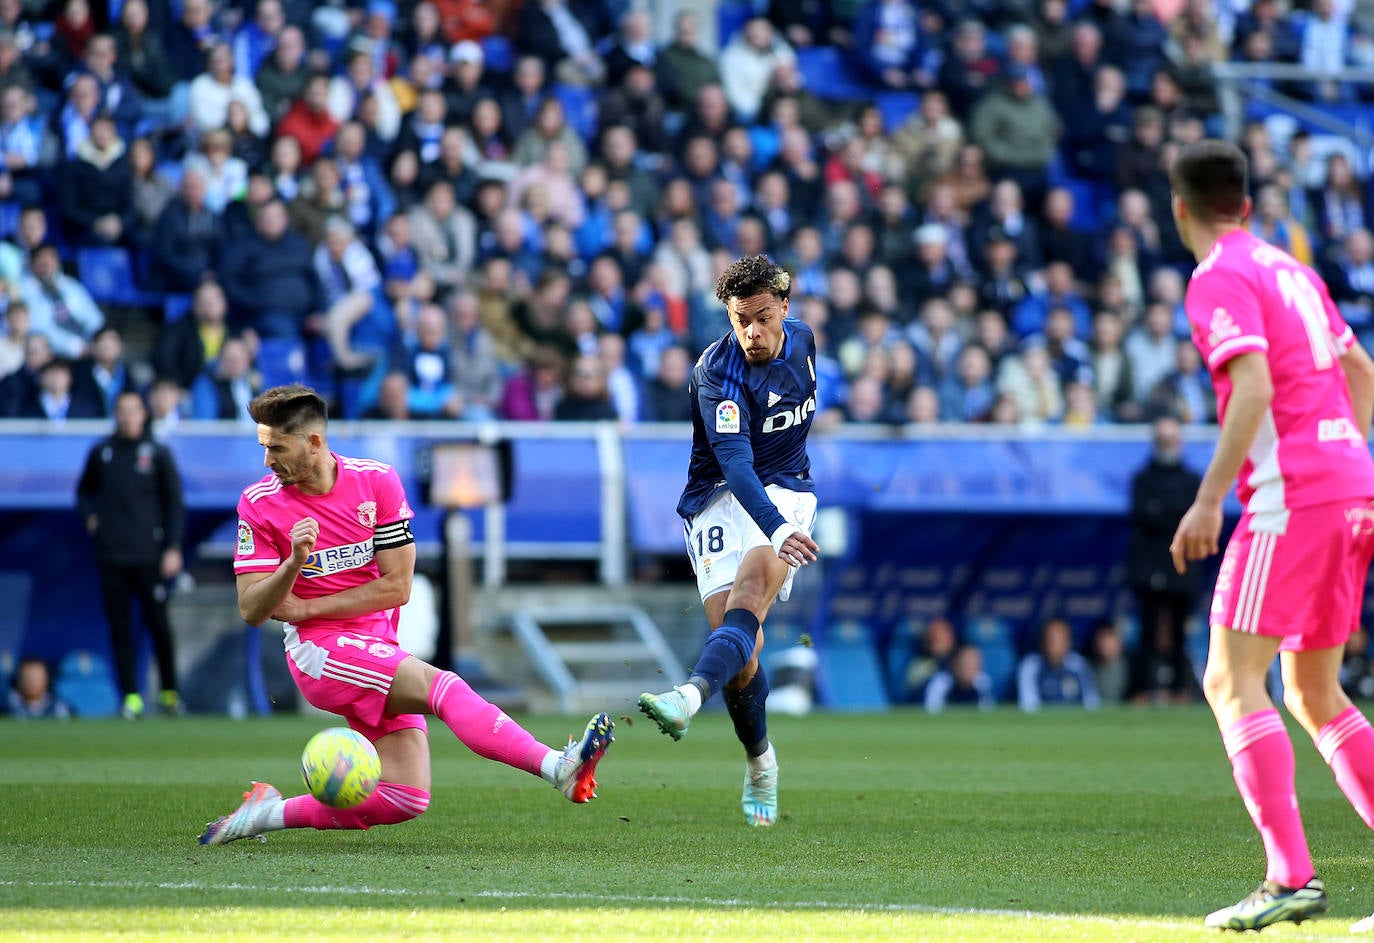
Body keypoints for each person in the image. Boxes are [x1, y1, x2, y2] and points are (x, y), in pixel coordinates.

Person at [199, 385, 613, 846]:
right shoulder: (258, 504)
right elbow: (252, 608)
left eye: (276, 447)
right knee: (445, 687)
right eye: (263, 447)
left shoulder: (375, 482)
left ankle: (266, 813)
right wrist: (293, 562)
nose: (267, 460)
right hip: (318, 651)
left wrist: (308, 604)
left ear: (314, 442)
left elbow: (396, 587)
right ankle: (558, 767)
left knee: (405, 796)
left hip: (376, 643)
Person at [1167, 139, 1374, 932]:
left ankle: (1291, 876)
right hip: (1352, 484)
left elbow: (1251, 382)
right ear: (1246, 204)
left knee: (1229, 676)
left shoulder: (1218, 275)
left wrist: (1209, 498)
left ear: (1180, 207)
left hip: (1296, 497)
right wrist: (1344, 456)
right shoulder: (1296, 268)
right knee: (1314, 691)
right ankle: (1292, 873)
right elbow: (1362, 374)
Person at [638, 256, 821, 827]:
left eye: (763, 318)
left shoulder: (806, 342)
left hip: (787, 491)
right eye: (741, 320)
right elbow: (735, 462)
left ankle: (686, 697)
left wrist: (784, 522)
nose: (753, 333)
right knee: (742, 658)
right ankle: (760, 759)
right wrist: (776, 526)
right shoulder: (715, 373)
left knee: (747, 604)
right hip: (719, 495)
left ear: (785, 309)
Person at [74, 391, 186, 719]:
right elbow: (83, 491)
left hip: (150, 555)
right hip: (111, 555)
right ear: (116, 414)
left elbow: (174, 504)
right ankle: (130, 696)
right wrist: (90, 519)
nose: (127, 417)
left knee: (159, 625)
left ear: (143, 414)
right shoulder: (102, 452)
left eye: (133, 411)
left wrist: (173, 546)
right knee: (119, 627)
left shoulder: (158, 453)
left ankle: (169, 693)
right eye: (121, 411)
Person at [1126, 415, 1204, 704]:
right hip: (1149, 566)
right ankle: (1141, 691)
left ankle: (1178, 691)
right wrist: (1174, 515)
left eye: (1172, 439)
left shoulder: (1192, 479)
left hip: (1182, 566)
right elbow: (1142, 515)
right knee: (1147, 631)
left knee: (1179, 634)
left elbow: (1192, 516)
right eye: (1162, 439)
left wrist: (1163, 511)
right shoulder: (1142, 478)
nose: (1167, 445)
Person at [6, 656, 71, 719]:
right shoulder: (7, 707)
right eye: (27, 678)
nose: (32, 682)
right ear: (18, 680)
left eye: (37, 677)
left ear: (46, 679)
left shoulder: (58, 709)